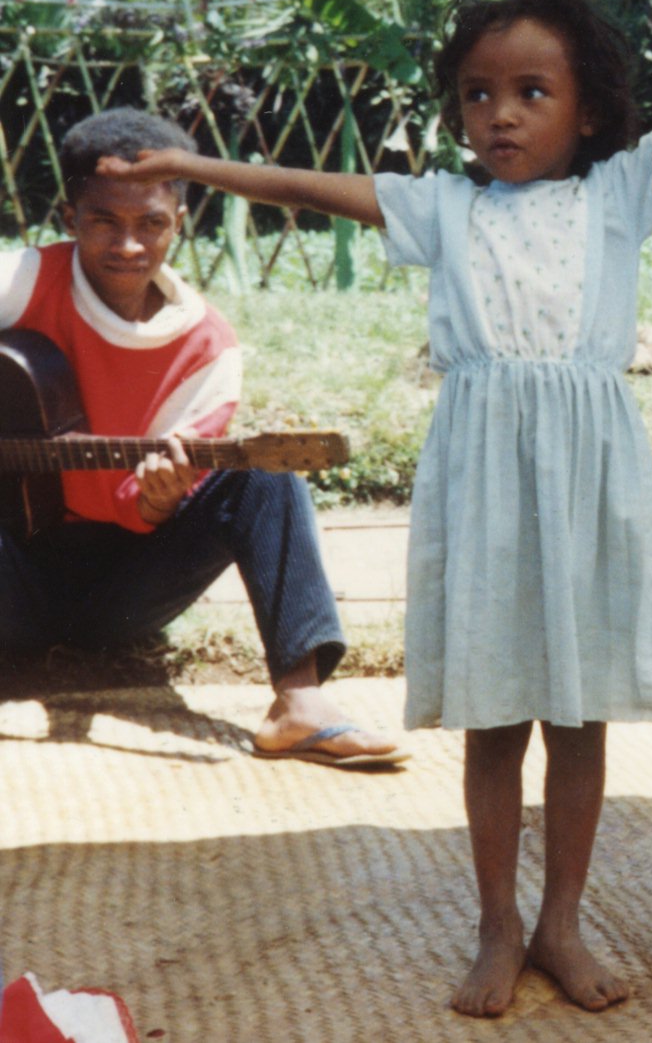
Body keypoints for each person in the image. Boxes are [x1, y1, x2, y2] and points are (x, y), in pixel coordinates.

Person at [102, 0, 652, 1020]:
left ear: (587, 107)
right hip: (486, 476)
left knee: (580, 709)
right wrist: (185, 161)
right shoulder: (443, 208)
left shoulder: (616, 199)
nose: (499, 115)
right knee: (496, 713)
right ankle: (498, 927)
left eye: (531, 94)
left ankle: (563, 924)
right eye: (478, 96)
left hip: (589, 478)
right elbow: (300, 187)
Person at [0, 107, 404, 770]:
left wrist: (161, 496)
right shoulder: (23, 281)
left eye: (151, 223)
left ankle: (299, 703)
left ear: (180, 223)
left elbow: (140, 506)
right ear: (70, 218)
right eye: (104, 220)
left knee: (266, 475)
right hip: (12, 569)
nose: (128, 244)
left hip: (124, 590)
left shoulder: (206, 348)